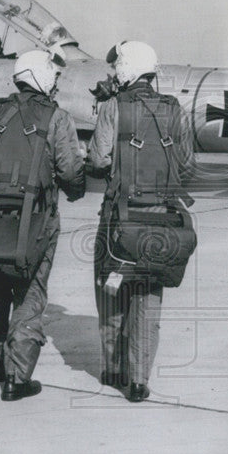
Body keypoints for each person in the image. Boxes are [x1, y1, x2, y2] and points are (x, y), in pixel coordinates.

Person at [0, 49, 85, 401]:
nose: (57, 82)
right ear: (42, 76)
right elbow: (71, 170)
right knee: (30, 294)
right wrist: (73, 192)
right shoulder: (57, 118)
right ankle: (16, 377)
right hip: (37, 221)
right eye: (54, 76)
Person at [86, 41, 194, 403]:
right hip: (160, 223)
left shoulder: (112, 107)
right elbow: (186, 164)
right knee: (148, 296)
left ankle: (113, 369)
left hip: (118, 223)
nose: (114, 72)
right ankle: (138, 382)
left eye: (118, 66)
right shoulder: (175, 110)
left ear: (127, 69)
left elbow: (98, 161)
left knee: (112, 290)